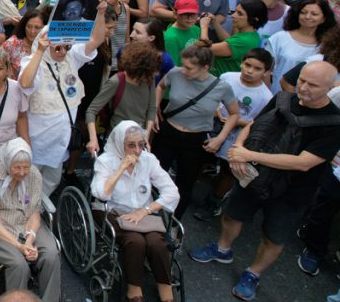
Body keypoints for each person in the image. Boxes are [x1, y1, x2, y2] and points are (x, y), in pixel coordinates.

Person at [190, 62, 340, 301]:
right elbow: (254, 124)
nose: (303, 87)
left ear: (331, 87)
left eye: (313, 85)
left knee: (274, 236)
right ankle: (222, 248)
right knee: (232, 215)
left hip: (293, 191)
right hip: (255, 176)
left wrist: (249, 156)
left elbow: (303, 163)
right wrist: (238, 146)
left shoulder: (333, 123)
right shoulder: (283, 98)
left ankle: (253, 273)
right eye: (302, 80)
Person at [19, 0, 109, 196]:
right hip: (37, 141)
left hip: (60, 141)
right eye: (57, 48)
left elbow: (96, 39)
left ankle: (40, 212)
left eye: (66, 47)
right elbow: (25, 83)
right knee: (28, 185)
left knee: (51, 182)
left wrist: (100, 14)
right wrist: (40, 52)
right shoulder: (32, 62)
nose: (62, 52)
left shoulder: (71, 58)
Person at [91, 120, 181, 302]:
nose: (138, 150)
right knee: (135, 242)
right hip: (112, 212)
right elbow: (100, 194)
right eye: (131, 145)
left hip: (143, 214)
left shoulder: (149, 160)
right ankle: (133, 288)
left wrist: (146, 210)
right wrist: (122, 167)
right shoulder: (105, 161)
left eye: (141, 144)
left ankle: (165, 287)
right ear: (119, 144)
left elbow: (172, 191)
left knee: (156, 243)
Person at [153, 45, 240, 215]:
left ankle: (174, 222)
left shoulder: (221, 87)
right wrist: (155, 109)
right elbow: (160, 87)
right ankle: (148, 213)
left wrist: (220, 138)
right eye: (183, 65)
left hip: (195, 139)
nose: (183, 71)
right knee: (154, 175)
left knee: (185, 184)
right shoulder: (175, 73)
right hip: (168, 132)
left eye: (189, 68)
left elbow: (234, 114)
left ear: (205, 67)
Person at [192, 48, 275, 222]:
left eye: (257, 68)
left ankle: (214, 201)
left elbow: (258, 123)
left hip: (235, 137)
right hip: (211, 125)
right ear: (241, 62)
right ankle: (186, 187)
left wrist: (237, 120)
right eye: (247, 65)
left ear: (266, 72)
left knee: (228, 172)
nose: (250, 71)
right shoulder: (228, 77)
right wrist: (214, 110)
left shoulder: (266, 97)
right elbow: (210, 96)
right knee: (198, 157)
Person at [0, 137, 60, 302]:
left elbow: (34, 213)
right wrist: (18, 246)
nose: (22, 172)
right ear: (8, 163)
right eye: (17, 167)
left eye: (26, 168)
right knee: (19, 264)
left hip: (26, 222)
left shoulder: (34, 174)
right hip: (1, 226)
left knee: (51, 254)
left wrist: (29, 240)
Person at [84, 42, 161, 154]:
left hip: (139, 138)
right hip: (118, 138)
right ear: (140, 70)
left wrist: (146, 137)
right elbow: (91, 111)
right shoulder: (116, 81)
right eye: (148, 74)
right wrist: (93, 139)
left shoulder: (149, 79)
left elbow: (152, 109)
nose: (152, 76)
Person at [264, 0, 335, 93]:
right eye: (303, 12)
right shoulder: (279, 38)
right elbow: (265, 70)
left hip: (310, 99)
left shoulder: (327, 44)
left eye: (314, 14)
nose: (307, 17)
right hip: (278, 95)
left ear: (323, 19)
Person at [201, 0, 267, 76]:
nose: (233, 15)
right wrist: (215, 22)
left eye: (240, 13)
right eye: (235, 11)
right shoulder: (252, 35)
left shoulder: (244, 41)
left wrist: (204, 26)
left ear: (254, 19)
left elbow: (204, 49)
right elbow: (229, 41)